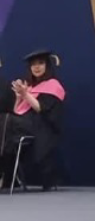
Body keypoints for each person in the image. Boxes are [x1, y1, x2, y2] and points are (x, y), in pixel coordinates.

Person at [0, 50, 66, 190]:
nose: (36, 67)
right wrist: (19, 97)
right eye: (33, 64)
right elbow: (17, 111)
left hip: (39, 126)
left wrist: (25, 94)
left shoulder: (53, 85)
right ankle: (6, 172)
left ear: (47, 66)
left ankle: (4, 173)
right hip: (22, 124)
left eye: (40, 63)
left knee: (4, 120)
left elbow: (41, 109)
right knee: (4, 120)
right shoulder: (30, 86)